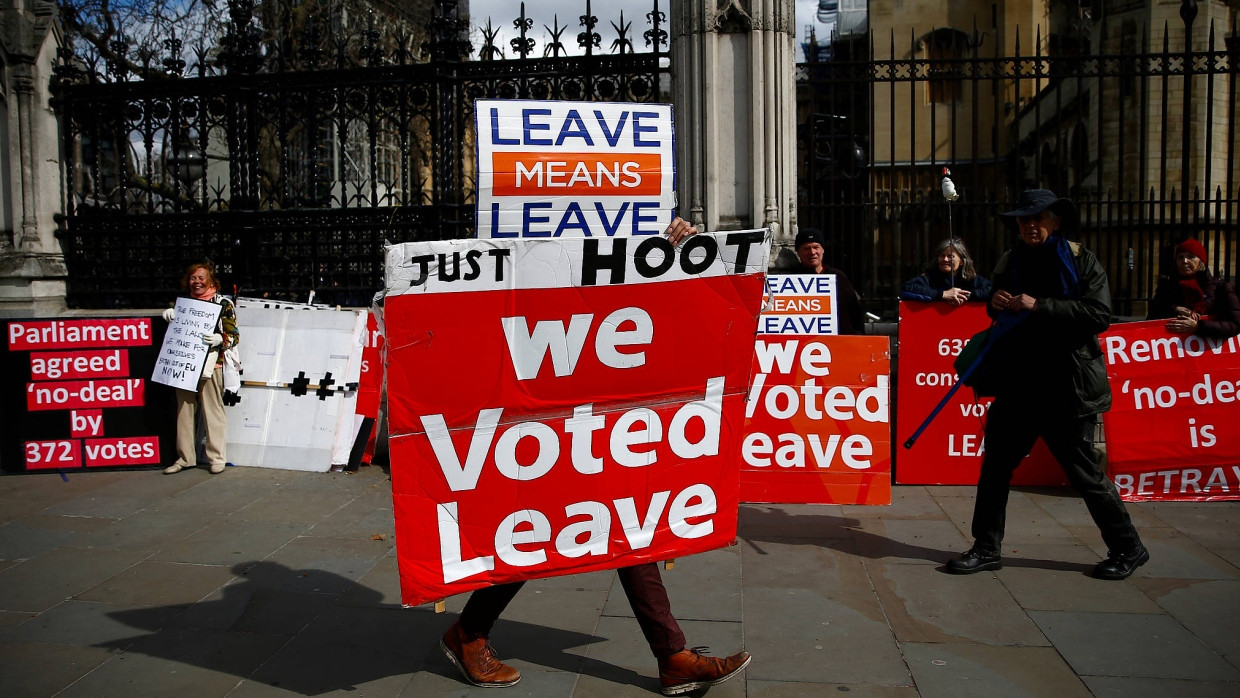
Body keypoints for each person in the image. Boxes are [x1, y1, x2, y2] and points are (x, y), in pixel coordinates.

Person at [438, 217, 751, 696]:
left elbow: (660, 308)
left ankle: (672, 657)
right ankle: (469, 633)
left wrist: (680, 251)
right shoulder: (528, 220)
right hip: (544, 403)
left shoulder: (634, 218)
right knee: (534, 528)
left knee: (626, 528)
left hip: (601, 409)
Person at [946, 189, 1148, 580]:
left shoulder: (1080, 259)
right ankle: (986, 547)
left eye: (1038, 219)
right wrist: (998, 302)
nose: (1030, 226)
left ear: (1055, 222)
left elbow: (1099, 313)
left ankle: (1129, 547)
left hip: (1066, 385)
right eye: (1024, 220)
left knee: (1084, 474)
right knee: (996, 467)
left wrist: (1040, 305)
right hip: (1020, 382)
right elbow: (994, 306)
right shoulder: (1011, 259)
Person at [162, 262, 239, 475]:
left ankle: (217, 457)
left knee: (213, 410)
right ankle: (185, 458)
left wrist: (220, 339)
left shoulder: (223, 304)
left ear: (211, 281)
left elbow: (234, 337)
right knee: (183, 411)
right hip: (185, 364)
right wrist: (170, 317)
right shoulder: (183, 304)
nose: (196, 282)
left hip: (210, 364)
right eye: (193, 278)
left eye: (201, 278)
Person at [1146, 238, 1240, 338]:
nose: (1184, 261)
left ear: (1201, 262)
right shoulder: (1166, 288)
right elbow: (1149, 322)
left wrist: (1198, 326)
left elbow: (1235, 325)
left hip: (1209, 350)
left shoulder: (1220, 288)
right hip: (1170, 348)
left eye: (1191, 257)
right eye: (1180, 257)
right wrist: (1173, 309)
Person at [791, 227, 867, 334]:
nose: (812, 252)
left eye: (816, 247)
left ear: (823, 250)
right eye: (806, 248)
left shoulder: (838, 277)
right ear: (798, 252)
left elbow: (855, 312)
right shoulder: (792, 280)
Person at [900, 237, 993, 305]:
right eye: (941, 255)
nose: (945, 259)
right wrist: (942, 294)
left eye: (950, 256)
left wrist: (967, 296)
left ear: (961, 261)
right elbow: (906, 288)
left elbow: (992, 290)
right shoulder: (930, 278)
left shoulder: (971, 279)